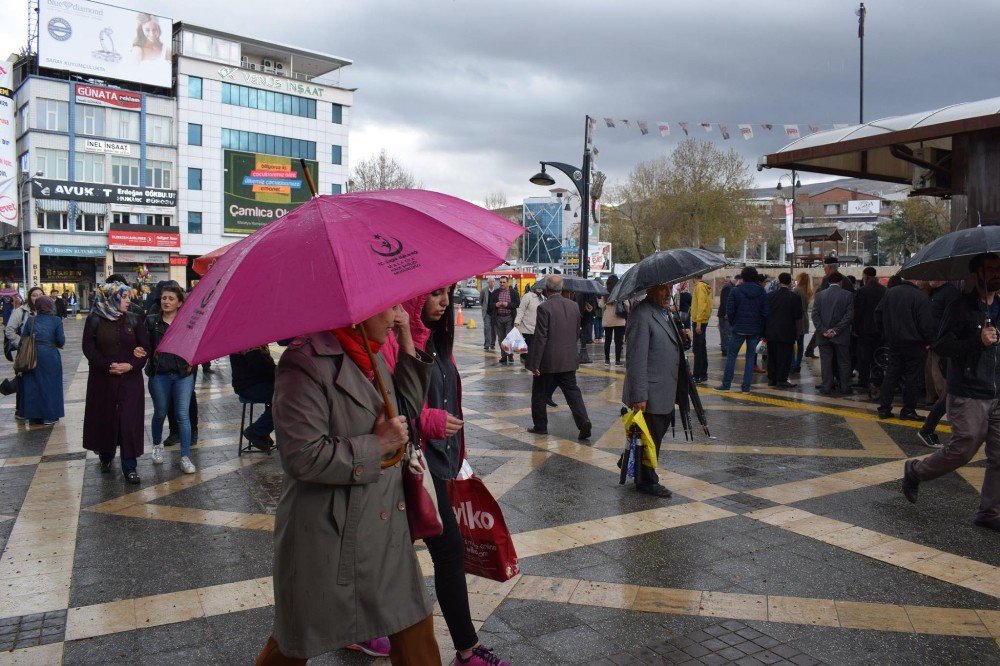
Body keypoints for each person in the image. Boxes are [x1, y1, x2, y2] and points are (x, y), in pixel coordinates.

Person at [256, 305, 440, 665]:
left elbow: (405, 410)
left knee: (415, 626)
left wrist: (405, 341)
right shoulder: (303, 364)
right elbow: (301, 455)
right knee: (295, 642)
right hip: (330, 532)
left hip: (385, 528)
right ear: (359, 313)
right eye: (390, 307)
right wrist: (378, 445)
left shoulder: (369, 353)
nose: (399, 314)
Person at [388, 288, 510, 666]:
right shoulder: (393, 341)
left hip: (438, 459)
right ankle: (467, 650)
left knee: (413, 552)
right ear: (413, 298)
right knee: (442, 550)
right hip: (409, 462)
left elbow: (446, 399)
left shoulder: (436, 340)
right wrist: (430, 421)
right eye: (436, 293)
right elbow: (393, 404)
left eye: (448, 294)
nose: (444, 302)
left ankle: (464, 649)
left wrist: (462, 455)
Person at [902, 253, 1000, 531]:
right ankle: (916, 471)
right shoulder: (960, 307)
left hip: (998, 391)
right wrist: (977, 341)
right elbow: (942, 346)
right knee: (964, 448)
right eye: (990, 269)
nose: (996, 273)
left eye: (999, 268)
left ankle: (989, 512)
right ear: (976, 274)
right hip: (968, 391)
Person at [82, 282, 149, 484]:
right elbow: (89, 349)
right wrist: (109, 365)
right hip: (103, 381)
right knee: (105, 419)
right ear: (111, 298)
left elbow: (145, 348)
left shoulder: (134, 320)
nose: (128, 301)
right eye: (124, 297)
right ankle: (105, 457)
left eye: (128, 297)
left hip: (130, 380)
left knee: (129, 421)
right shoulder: (95, 319)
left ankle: (130, 467)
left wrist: (131, 365)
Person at [623, 283, 686, 498]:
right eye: (663, 289)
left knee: (652, 435)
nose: (668, 293)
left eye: (670, 289)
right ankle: (647, 481)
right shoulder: (642, 315)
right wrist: (639, 395)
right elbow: (636, 360)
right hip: (650, 391)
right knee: (650, 438)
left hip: (665, 388)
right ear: (650, 290)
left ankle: (637, 467)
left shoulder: (664, 313)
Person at [526, 276, 591, 440]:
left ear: (547, 290)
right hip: (569, 358)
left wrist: (535, 363)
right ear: (561, 289)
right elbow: (577, 332)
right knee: (573, 392)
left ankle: (540, 426)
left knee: (539, 393)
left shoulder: (544, 307)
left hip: (548, 360)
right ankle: (583, 421)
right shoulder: (574, 306)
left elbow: (541, 337)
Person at [145, 285, 197, 474]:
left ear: (180, 303)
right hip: (159, 375)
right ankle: (157, 445)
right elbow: (143, 345)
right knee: (160, 412)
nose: (166, 301)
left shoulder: (188, 322)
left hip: (183, 374)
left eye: (171, 299)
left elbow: (196, 344)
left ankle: (185, 456)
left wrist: (193, 362)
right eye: (164, 298)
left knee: (182, 415)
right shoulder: (151, 321)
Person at [875, 276, 935, 420]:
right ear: (916, 280)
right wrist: (929, 341)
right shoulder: (921, 297)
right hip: (915, 343)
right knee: (912, 377)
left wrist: (885, 333)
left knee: (891, 374)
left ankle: (884, 408)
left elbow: (878, 314)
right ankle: (908, 410)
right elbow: (926, 324)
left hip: (894, 342)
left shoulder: (890, 293)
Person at [918, 280, 963, 448]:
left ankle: (930, 428)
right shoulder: (947, 294)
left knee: (948, 391)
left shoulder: (944, 294)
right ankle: (929, 429)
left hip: (942, 345)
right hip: (946, 347)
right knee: (948, 391)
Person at [717, 267, 768, 393]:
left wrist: (734, 323)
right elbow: (765, 312)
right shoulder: (762, 292)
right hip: (755, 329)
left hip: (738, 328)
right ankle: (746, 387)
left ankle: (726, 385)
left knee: (731, 355)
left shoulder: (735, 291)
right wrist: (761, 327)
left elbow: (730, 310)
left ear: (743, 277)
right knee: (750, 357)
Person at [19, 296, 65, 426]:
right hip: (50, 355)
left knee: (33, 385)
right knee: (50, 385)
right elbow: (60, 340)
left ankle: (34, 416)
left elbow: (23, 339)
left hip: (32, 355)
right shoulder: (56, 320)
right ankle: (49, 416)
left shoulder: (31, 320)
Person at [812, 272, 854, 396]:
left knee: (826, 362)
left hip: (823, 336)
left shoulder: (819, 296)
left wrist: (824, 330)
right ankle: (845, 387)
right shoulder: (848, 295)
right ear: (841, 282)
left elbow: (815, 315)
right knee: (844, 362)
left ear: (828, 282)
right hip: (841, 335)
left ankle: (826, 386)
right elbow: (849, 315)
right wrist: (836, 330)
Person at [6, 287, 44, 422]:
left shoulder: (46, 311)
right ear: (29, 297)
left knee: (39, 381)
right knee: (23, 379)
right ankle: (20, 409)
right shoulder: (20, 311)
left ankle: (37, 409)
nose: (37, 298)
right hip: (25, 352)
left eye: (40, 295)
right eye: (34, 295)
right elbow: (9, 330)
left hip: (41, 353)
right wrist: (21, 344)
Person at [229, 346, 276, 451]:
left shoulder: (255, 340)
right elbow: (261, 367)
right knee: (284, 397)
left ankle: (262, 431)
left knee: (285, 394)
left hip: (257, 383)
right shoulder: (248, 343)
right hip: (248, 386)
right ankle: (256, 431)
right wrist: (281, 370)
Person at [764, 273, 802, 389]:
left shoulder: (770, 296)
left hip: (771, 331)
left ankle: (772, 378)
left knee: (772, 356)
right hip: (787, 332)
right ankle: (782, 379)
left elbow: (765, 314)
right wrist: (798, 333)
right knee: (785, 357)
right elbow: (798, 316)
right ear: (790, 282)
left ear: (779, 281)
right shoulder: (794, 297)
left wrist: (764, 332)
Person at [853, 267, 886, 390]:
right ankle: (878, 380)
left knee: (864, 356)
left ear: (866, 276)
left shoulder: (862, 291)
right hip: (880, 330)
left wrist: (855, 328)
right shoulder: (884, 290)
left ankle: (864, 380)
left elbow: (858, 312)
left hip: (865, 330)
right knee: (878, 355)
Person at [488, 276, 520, 365]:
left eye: (504, 282)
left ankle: (510, 355)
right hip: (498, 318)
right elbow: (490, 305)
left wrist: (508, 304)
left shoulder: (513, 292)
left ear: (508, 283)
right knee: (501, 338)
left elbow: (517, 304)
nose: (502, 284)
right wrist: (496, 304)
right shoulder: (495, 293)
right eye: (501, 282)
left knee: (509, 338)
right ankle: (503, 356)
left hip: (510, 317)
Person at [514, 281, 544, 364]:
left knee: (534, 345)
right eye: (538, 286)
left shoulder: (542, 298)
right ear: (533, 286)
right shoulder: (528, 296)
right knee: (529, 343)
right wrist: (517, 321)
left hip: (537, 326)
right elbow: (521, 309)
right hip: (527, 326)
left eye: (541, 287)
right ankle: (524, 358)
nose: (539, 288)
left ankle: (528, 358)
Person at [689, 276, 712, 383]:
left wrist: (698, 323)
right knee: (701, 348)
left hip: (699, 322)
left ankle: (697, 374)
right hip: (701, 320)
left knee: (698, 349)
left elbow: (701, 305)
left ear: (695, 277)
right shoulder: (703, 287)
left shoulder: (699, 287)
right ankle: (703, 374)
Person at [602, 274, 627, 366]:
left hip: (608, 320)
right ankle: (617, 361)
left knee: (607, 340)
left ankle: (607, 360)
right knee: (618, 341)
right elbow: (627, 305)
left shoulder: (605, 293)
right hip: (619, 320)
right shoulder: (621, 292)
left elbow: (601, 305)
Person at [791, 273, 813, 374]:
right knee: (800, 344)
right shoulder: (808, 291)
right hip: (804, 317)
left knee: (792, 342)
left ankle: (793, 364)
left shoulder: (797, 290)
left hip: (796, 317)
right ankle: (798, 364)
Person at [717, 275, 738, 356]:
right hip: (724, 315)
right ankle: (726, 349)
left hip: (724, 314)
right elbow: (726, 301)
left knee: (726, 332)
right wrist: (727, 313)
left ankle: (725, 349)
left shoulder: (730, 287)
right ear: (735, 280)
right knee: (726, 332)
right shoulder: (729, 287)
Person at [480, 277, 496, 350]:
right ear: (488, 282)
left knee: (494, 329)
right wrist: (484, 308)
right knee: (487, 328)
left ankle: (492, 343)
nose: (492, 283)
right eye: (490, 282)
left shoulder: (496, 291)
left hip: (495, 313)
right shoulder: (484, 291)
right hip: (487, 313)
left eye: (493, 281)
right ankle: (487, 344)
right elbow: (481, 301)